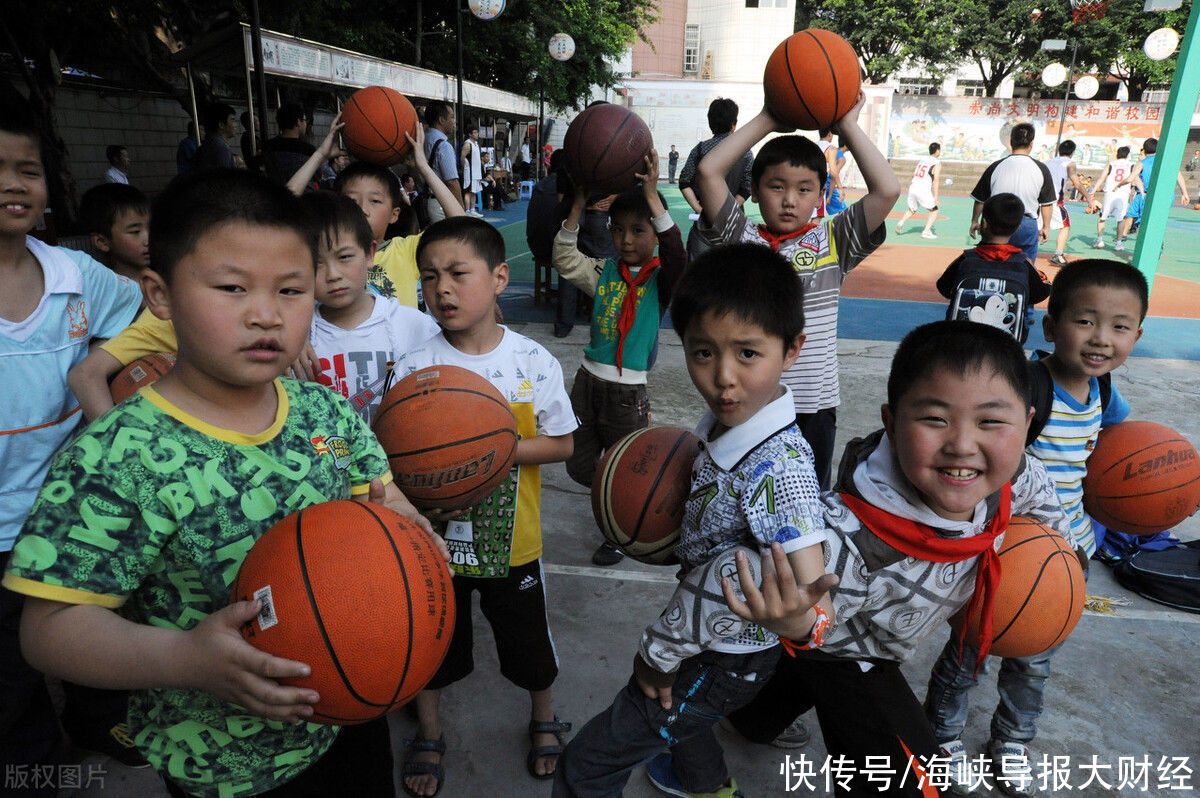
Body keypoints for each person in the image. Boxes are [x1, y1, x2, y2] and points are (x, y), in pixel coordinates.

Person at [3, 168, 442, 798]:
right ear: (159, 294)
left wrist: (409, 529)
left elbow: (381, 497)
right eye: (233, 287)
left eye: (291, 290)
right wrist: (187, 659)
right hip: (220, 765)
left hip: (345, 715)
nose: (266, 314)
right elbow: (48, 630)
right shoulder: (118, 456)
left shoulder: (327, 412)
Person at [720, 320, 1077, 798]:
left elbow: (1042, 499)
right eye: (935, 418)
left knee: (787, 683)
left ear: (1027, 424)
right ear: (891, 422)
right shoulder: (851, 539)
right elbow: (813, 614)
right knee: (911, 782)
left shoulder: (1012, 475)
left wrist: (1063, 555)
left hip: (876, 630)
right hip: (853, 648)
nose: (963, 445)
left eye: (991, 421)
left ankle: (752, 717)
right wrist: (797, 623)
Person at [553, 243, 835, 798]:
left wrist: (655, 659)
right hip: (720, 649)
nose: (723, 377)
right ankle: (710, 785)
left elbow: (813, 595)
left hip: (722, 655)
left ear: (793, 349)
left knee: (587, 764)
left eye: (748, 354)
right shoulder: (728, 427)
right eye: (703, 353)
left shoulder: (781, 470)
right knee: (684, 722)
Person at [924, 260, 1146, 797]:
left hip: (1067, 553)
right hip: (1000, 548)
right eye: (1086, 321)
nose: (1101, 338)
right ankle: (942, 736)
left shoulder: (1105, 393)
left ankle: (1013, 740)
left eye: (1120, 327)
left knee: (1034, 659)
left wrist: (1143, 495)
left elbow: (1120, 451)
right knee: (968, 652)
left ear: (1137, 335)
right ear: (1050, 326)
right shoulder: (1026, 384)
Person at [397, 217, 577, 797]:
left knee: (528, 647)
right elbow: (393, 451)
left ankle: (543, 715)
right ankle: (429, 731)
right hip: (435, 542)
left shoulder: (532, 362)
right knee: (432, 640)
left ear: (500, 278)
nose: (441, 288)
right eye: (429, 277)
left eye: (457, 273)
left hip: (513, 543)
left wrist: (492, 449)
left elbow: (565, 443)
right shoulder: (417, 365)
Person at [0, 102, 144, 790]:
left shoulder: (76, 276)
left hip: (67, 502)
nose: (13, 183)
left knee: (88, 619)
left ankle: (97, 719)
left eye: (26, 169)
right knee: (9, 663)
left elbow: (147, 316)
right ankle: (35, 762)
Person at [694, 93, 899, 493]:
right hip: (746, 401)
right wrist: (768, 117)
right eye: (776, 186)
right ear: (753, 189)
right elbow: (708, 172)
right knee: (738, 496)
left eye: (805, 189)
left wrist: (849, 128)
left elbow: (887, 190)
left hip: (812, 409)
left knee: (803, 505)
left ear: (821, 193)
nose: (790, 200)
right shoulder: (740, 238)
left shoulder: (834, 240)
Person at [553, 152, 686, 566]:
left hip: (629, 393)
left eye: (638, 231)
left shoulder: (661, 280)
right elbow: (565, 259)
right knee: (577, 461)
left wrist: (653, 197)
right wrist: (578, 205)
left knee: (625, 461)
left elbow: (678, 256)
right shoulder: (606, 271)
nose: (626, 240)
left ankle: (619, 527)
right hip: (588, 381)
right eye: (619, 230)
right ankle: (612, 495)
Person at [299, 190, 439, 424]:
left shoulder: (414, 325)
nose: (333, 275)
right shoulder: (295, 334)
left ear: (370, 254)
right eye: (315, 264)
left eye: (344, 257)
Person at [937, 193, 1050, 342]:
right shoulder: (1024, 264)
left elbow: (943, 287)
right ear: (1017, 228)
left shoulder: (966, 259)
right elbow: (1042, 291)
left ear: (984, 223)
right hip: (1006, 348)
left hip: (961, 344)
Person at [678, 98, 754, 259]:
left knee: (699, 273)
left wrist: (699, 209)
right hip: (735, 223)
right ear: (733, 124)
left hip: (704, 223)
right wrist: (730, 209)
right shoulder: (745, 152)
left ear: (710, 123)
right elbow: (747, 186)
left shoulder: (699, 150)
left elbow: (684, 182)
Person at [969, 123, 1055, 266]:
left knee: (991, 263)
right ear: (1031, 144)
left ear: (1010, 142)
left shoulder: (996, 166)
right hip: (1026, 224)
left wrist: (974, 221)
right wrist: (1046, 226)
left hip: (996, 222)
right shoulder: (1041, 169)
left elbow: (980, 199)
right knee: (1025, 267)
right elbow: (1046, 203)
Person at [1115, 137, 1190, 252]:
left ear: (1144, 151)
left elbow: (1130, 178)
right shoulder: (1167, 160)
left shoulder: (1141, 163)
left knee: (1144, 224)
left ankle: (1143, 251)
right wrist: (1185, 193)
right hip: (1168, 195)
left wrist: (1119, 185)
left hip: (1151, 195)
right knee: (1157, 221)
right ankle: (1157, 245)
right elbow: (1178, 175)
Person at [78, 182, 151, 282]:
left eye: (152, 227)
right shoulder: (101, 290)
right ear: (102, 242)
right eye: (135, 231)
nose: (148, 240)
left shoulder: (171, 280)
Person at [1043, 140, 1092, 265]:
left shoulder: (1047, 162)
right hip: (1054, 200)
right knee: (1065, 226)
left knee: (1039, 226)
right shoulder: (1070, 163)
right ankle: (1058, 254)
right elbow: (1076, 182)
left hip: (1040, 199)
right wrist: (1088, 197)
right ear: (1073, 152)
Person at [422, 101, 461, 224]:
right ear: (441, 120)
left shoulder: (422, 138)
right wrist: (460, 208)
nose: (454, 121)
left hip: (422, 201)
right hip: (440, 203)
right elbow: (452, 182)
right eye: (452, 117)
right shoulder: (443, 146)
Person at [1089, 145, 1134, 250]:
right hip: (1123, 194)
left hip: (1110, 193)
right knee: (1121, 219)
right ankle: (1118, 244)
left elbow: (1101, 178)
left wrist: (1093, 190)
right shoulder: (1131, 165)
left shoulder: (1111, 164)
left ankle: (1100, 240)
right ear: (1128, 155)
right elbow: (1134, 179)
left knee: (1102, 217)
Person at [262, 102, 316, 186]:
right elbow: (316, 176)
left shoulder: (268, 146)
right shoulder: (308, 150)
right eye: (305, 120)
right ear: (298, 122)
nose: (306, 124)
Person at [896, 142, 942, 239]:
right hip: (923, 189)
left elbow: (915, 173)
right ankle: (926, 232)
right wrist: (936, 197)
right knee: (934, 210)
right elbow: (936, 179)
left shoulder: (923, 159)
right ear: (937, 151)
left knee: (912, 209)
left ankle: (901, 222)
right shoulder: (937, 163)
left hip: (913, 186)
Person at [191, 102, 238, 171]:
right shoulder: (221, 148)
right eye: (232, 120)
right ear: (221, 125)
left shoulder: (208, 144)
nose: (235, 125)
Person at [816, 128, 846, 217]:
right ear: (829, 134)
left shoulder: (813, 145)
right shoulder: (831, 149)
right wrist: (840, 188)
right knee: (818, 217)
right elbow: (833, 171)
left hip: (808, 184)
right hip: (821, 185)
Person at [460, 125, 484, 217]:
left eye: (477, 132)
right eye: (475, 132)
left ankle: (473, 209)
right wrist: (464, 169)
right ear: (470, 134)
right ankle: (467, 210)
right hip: (470, 173)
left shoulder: (476, 144)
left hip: (476, 173)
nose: (477, 134)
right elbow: (462, 158)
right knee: (468, 192)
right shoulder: (467, 144)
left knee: (474, 191)